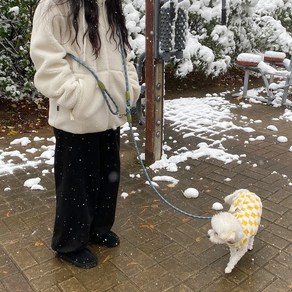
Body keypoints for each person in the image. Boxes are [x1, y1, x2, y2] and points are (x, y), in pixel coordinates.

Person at [30, 0, 140, 269]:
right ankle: (69, 243)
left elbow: (124, 54)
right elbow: (46, 58)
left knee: (107, 177)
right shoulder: (56, 5)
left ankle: (98, 229)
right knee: (76, 184)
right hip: (76, 117)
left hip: (110, 112)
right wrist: (76, 96)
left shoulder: (110, 6)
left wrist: (131, 87)